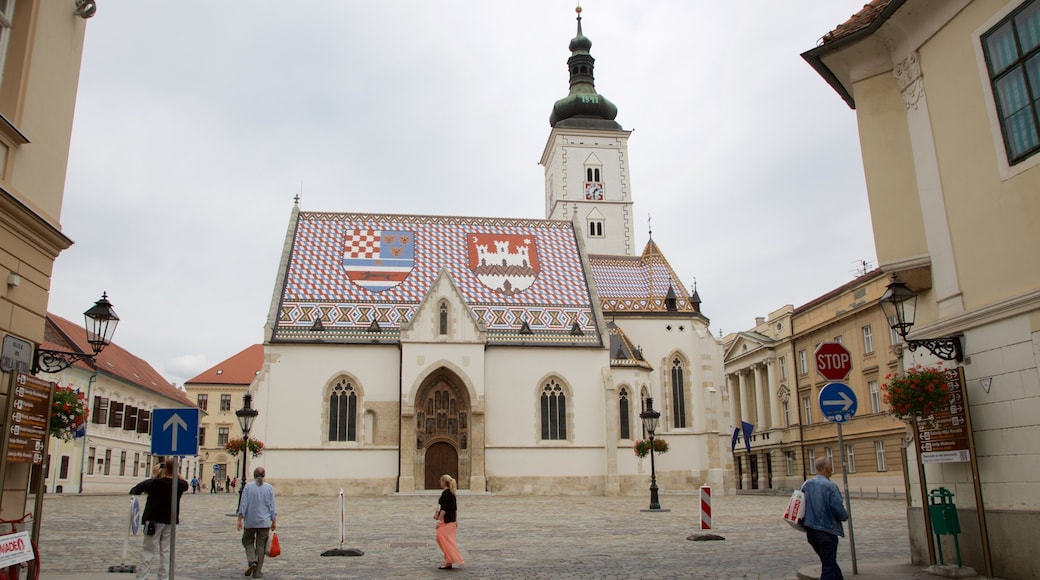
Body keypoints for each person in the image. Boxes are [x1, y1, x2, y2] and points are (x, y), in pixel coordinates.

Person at [129, 458, 189, 580]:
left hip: (153, 520)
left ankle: (142, 577)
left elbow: (136, 489)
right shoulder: (180, 485)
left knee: (148, 550)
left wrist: (155, 475)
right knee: (166, 551)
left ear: (164, 469)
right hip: (169, 521)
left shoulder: (155, 483)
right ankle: (164, 577)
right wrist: (175, 472)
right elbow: (185, 483)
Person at [802, 457, 849, 580]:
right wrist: (845, 515)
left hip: (811, 532)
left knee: (829, 562)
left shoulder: (806, 484)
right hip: (826, 532)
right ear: (827, 468)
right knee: (828, 567)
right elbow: (838, 510)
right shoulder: (830, 486)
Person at [237, 466, 277, 579]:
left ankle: (252, 560)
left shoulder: (248, 487)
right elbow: (272, 505)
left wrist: (239, 519)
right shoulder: (269, 488)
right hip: (264, 522)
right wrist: (274, 520)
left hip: (250, 521)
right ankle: (257, 572)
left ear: (254, 475)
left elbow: (243, 504)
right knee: (261, 547)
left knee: (247, 541)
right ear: (264, 475)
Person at [433, 474, 464, 570]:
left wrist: (439, 521)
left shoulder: (446, 494)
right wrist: (456, 520)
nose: (440, 483)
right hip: (452, 520)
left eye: (441, 481)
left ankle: (449, 560)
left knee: (443, 539)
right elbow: (455, 509)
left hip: (446, 521)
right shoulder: (452, 493)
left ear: (444, 482)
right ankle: (448, 560)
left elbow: (444, 509)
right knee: (447, 540)